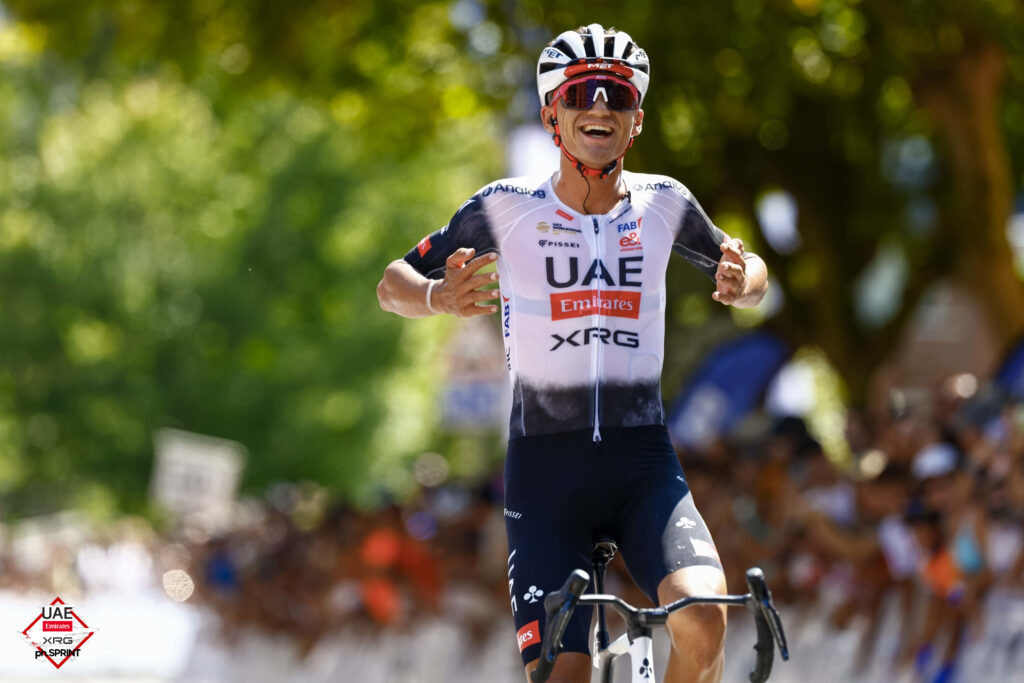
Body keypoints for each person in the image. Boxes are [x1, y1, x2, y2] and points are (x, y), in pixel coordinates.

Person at [377, 23, 768, 683]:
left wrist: (742, 280)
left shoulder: (666, 202)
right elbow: (393, 283)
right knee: (565, 674)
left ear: (635, 121)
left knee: (704, 618)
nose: (599, 107)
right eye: (581, 92)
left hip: (644, 463)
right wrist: (439, 297)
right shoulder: (503, 207)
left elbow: (750, 267)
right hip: (545, 471)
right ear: (550, 114)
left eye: (617, 96)